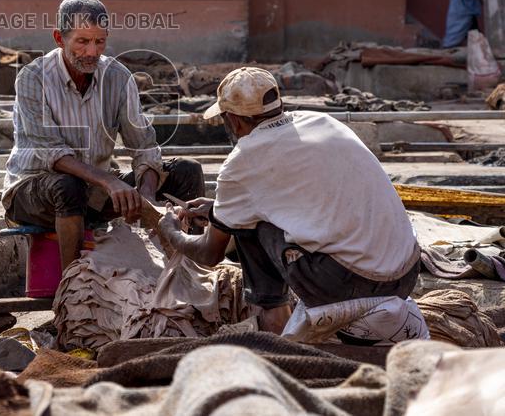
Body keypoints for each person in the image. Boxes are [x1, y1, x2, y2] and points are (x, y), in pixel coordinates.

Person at [157, 67, 422, 340]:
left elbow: (210, 254)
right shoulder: (322, 122)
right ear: (278, 104)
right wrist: (218, 209)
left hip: (354, 284)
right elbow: (306, 195)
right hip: (406, 271)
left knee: (249, 228)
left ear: (234, 121)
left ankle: (277, 328)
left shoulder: (242, 161)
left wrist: (171, 231)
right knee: (247, 218)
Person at [2, 0, 205, 270]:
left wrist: (145, 197)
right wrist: (111, 182)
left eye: (99, 41)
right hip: (35, 192)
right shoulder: (33, 77)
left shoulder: (118, 77)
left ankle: (190, 272)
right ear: (59, 39)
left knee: (186, 171)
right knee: (66, 185)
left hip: (93, 193)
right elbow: (52, 153)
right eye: (82, 42)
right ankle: (74, 287)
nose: (92, 52)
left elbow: (143, 145)